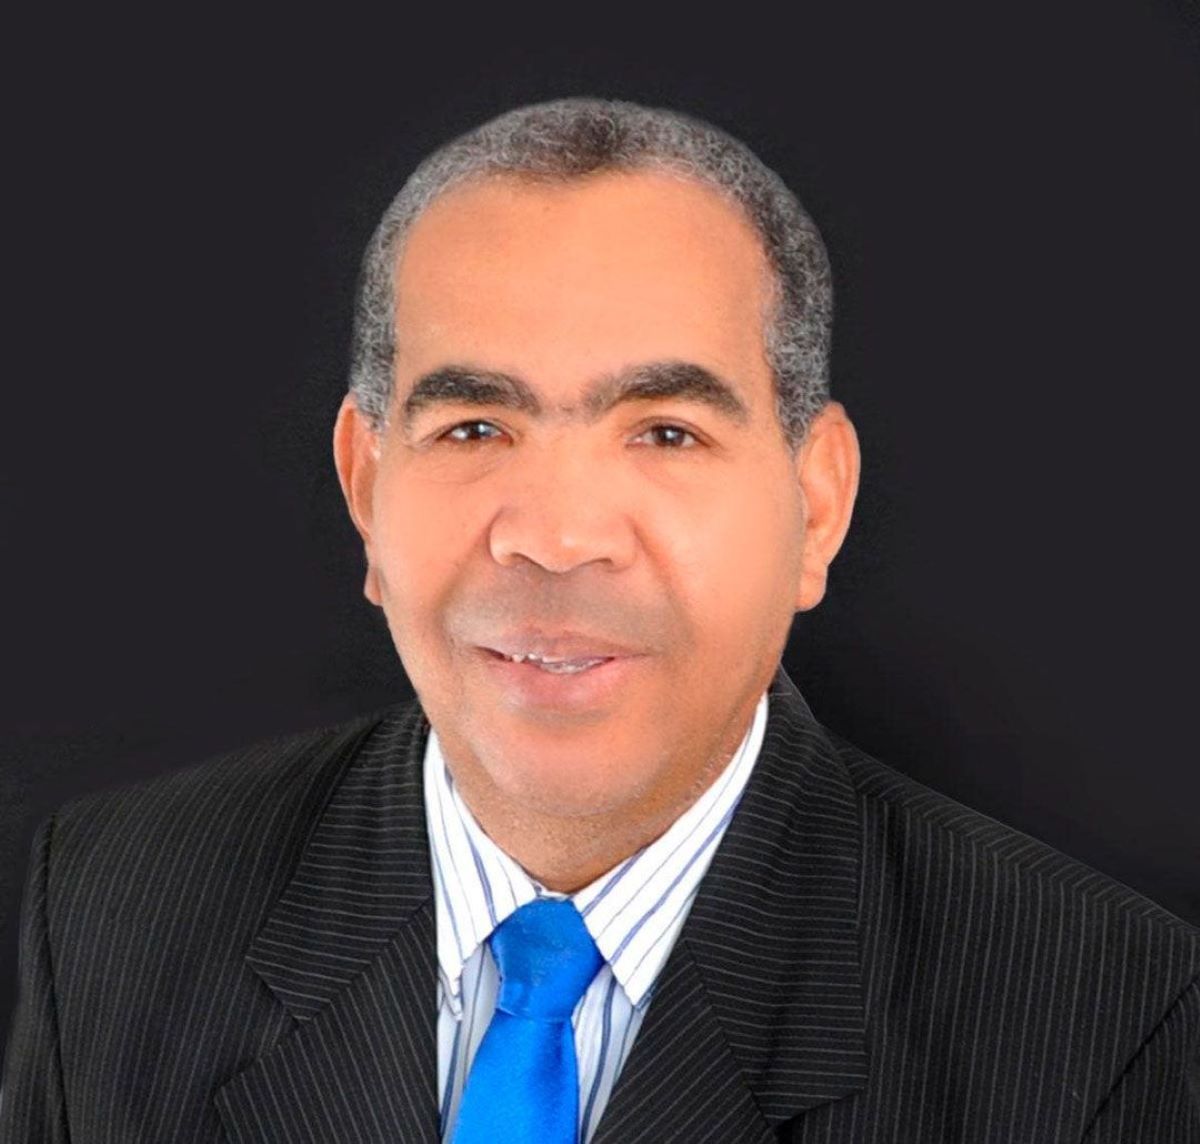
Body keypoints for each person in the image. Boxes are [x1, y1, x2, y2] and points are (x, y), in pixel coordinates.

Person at [2, 97, 1196, 1144]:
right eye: (476, 428)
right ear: (366, 485)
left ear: (817, 503)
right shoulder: (109, 912)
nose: (558, 537)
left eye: (666, 432)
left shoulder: (1103, 1020)